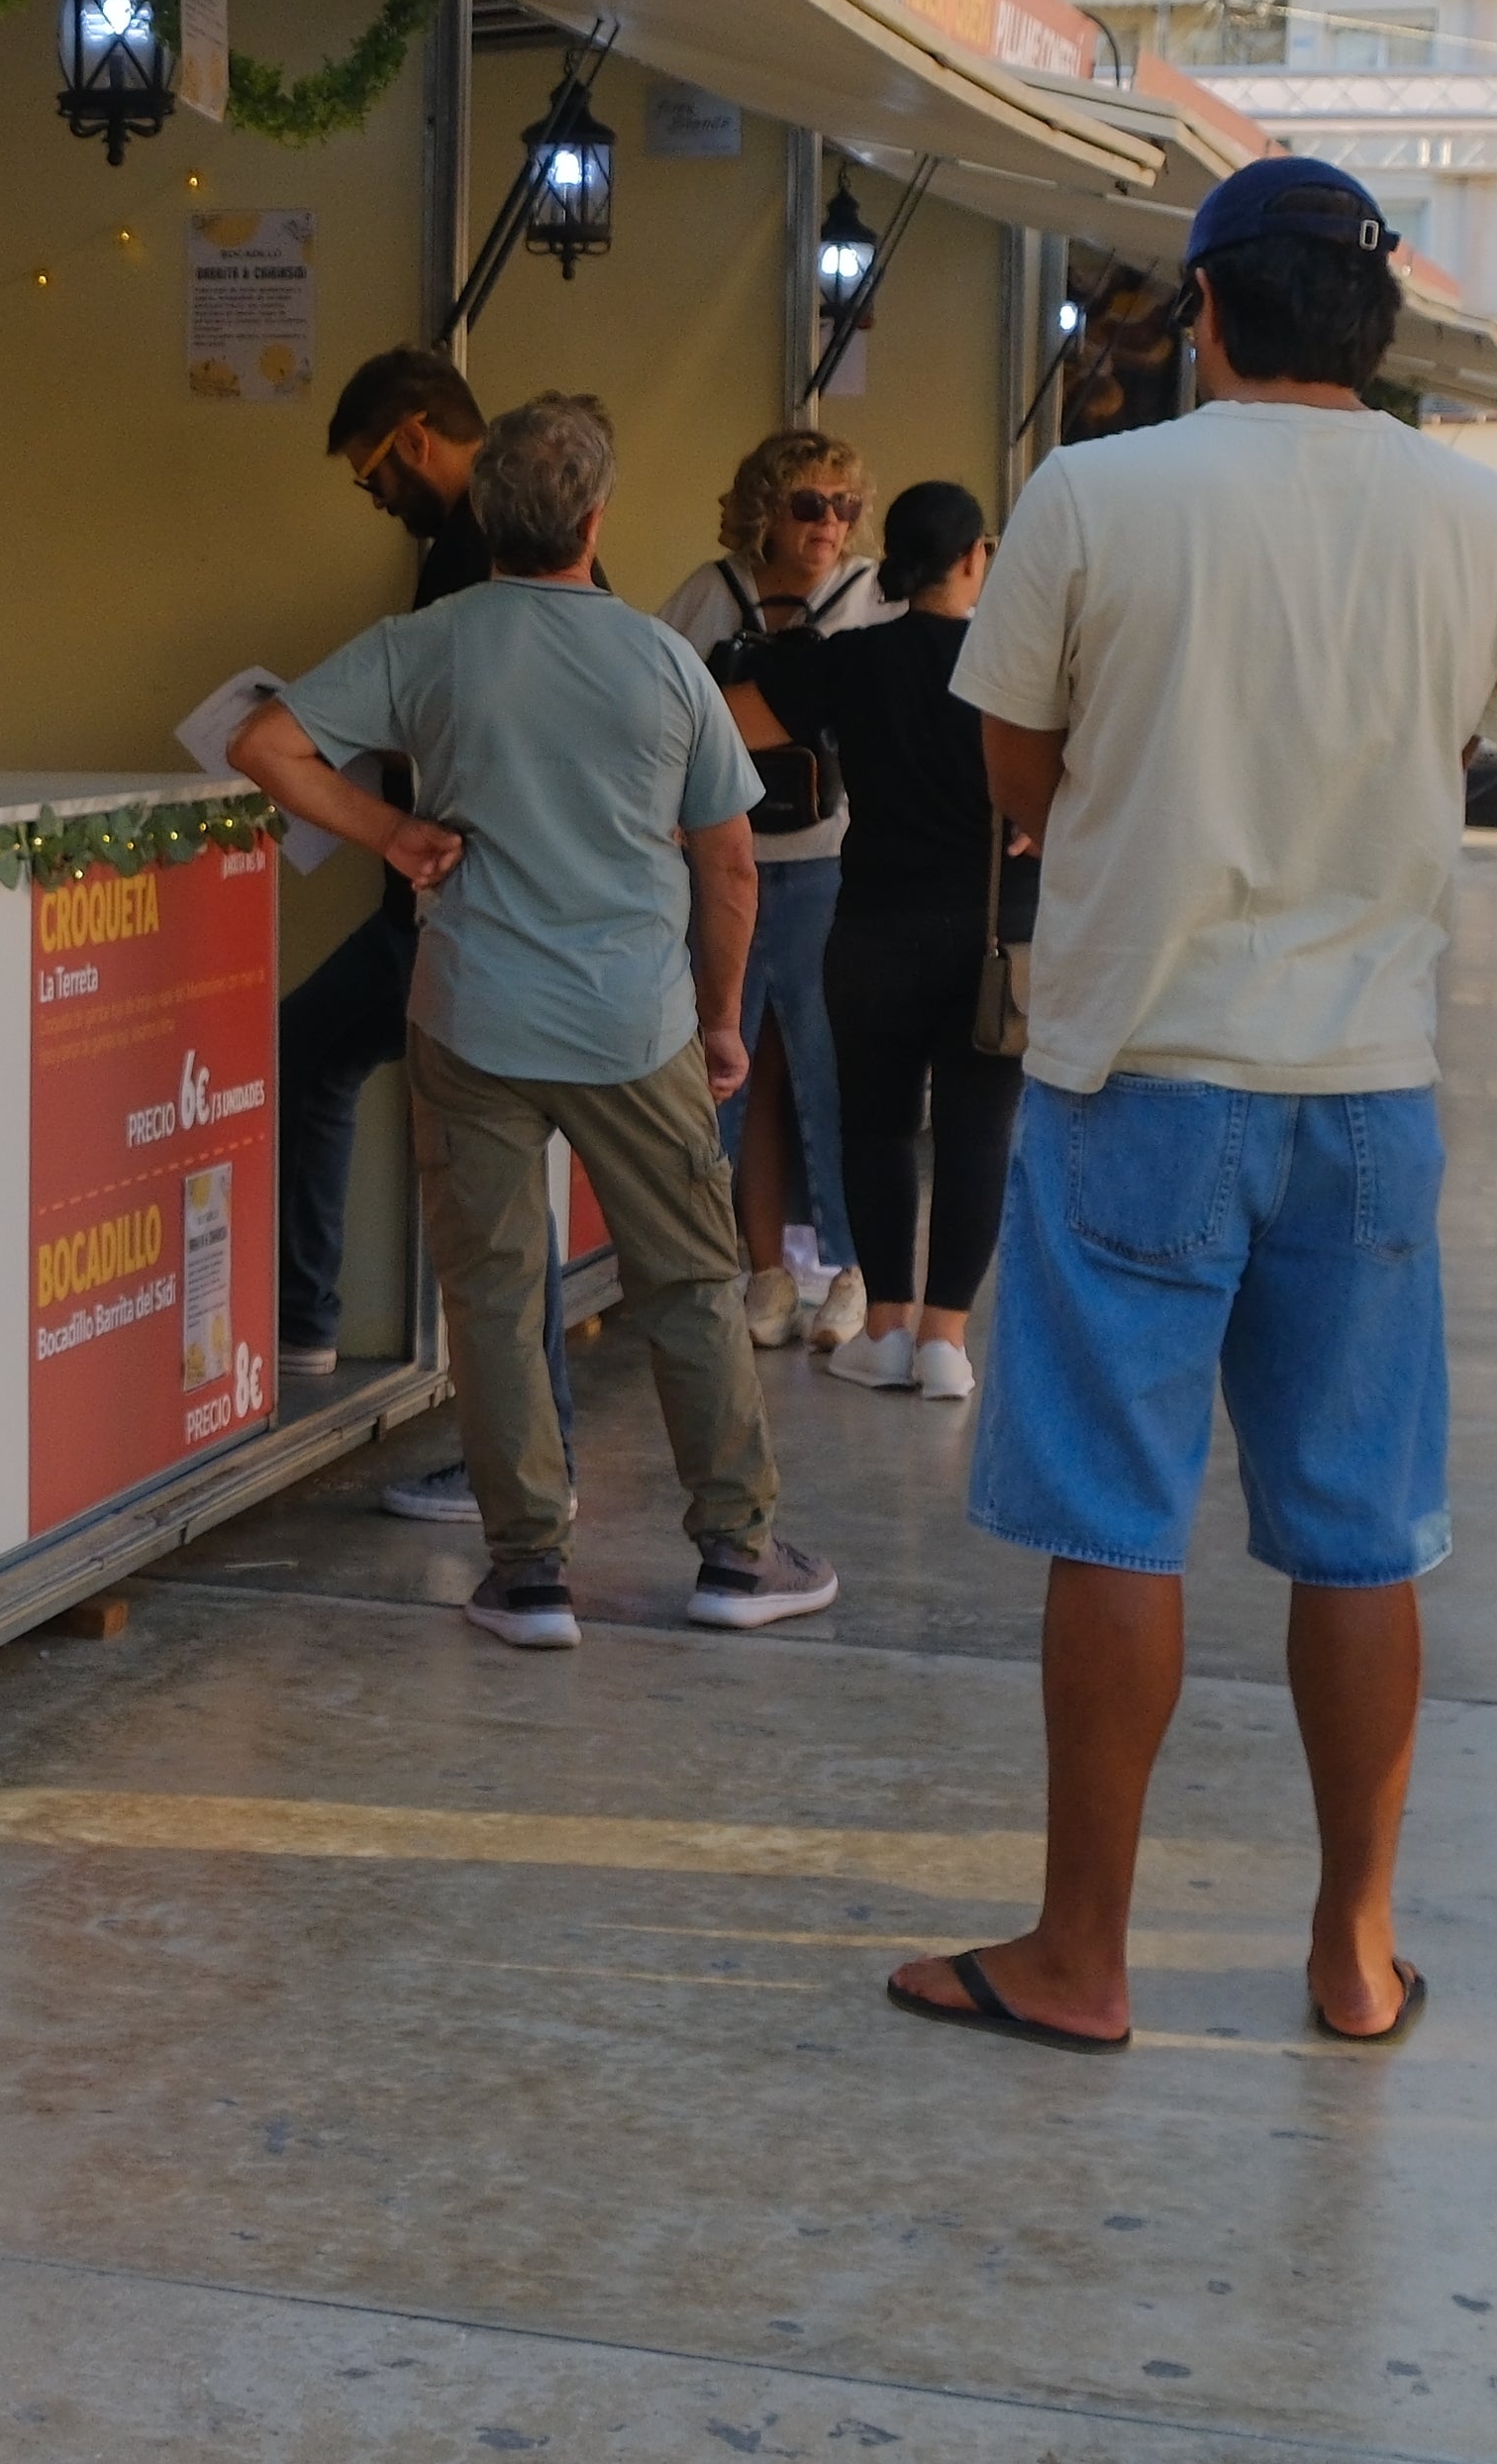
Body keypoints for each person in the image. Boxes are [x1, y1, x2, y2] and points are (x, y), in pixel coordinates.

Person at [881, 158, 1497, 2054]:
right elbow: (1484, 740)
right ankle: (1353, 1949)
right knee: (1362, 1531)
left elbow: (1021, 779)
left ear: (1206, 314)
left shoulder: (1099, 495)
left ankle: (1084, 1953)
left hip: (1141, 1071)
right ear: (1381, 323)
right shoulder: (1474, 516)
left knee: (1120, 1523)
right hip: (1370, 1084)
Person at [237, 394, 831, 1650]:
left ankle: (527, 1572)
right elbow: (730, 866)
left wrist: (390, 832)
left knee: (498, 1295)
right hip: (635, 1021)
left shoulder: (429, 640)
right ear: (595, 519)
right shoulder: (664, 658)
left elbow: (268, 743)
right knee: (690, 1283)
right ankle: (736, 1549)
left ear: (487, 514)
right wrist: (721, 1021)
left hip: (472, 1015)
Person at [734, 478, 1020, 1403]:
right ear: (976, 557)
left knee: (878, 1128)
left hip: (872, 931)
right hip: (990, 938)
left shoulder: (851, 658)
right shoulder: (1015, 665)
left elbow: (725, 719)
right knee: (978, 1132)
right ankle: (946, 1343)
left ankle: (887, 1329)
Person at [268, 348, 489, 1385]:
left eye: (374, 477)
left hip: (446, 899)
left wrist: (361, 780)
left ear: (414, 435)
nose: (377, 501)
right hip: (503, 905)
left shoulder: (462, 553)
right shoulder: (515, 547)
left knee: (308, 1053)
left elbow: (449, 724)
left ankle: (303, 1320)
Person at [663, 430, 881, 1353]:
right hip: (725, 862)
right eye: (807, 504)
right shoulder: (708, 595)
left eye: (844, 505)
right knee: (731, 1068)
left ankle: (849, 1268)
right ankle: (759, 1270)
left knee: (832, 1071)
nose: (829, 522)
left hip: (836, 858)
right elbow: (655, 705)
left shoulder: (875, 596)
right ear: (765, 509)